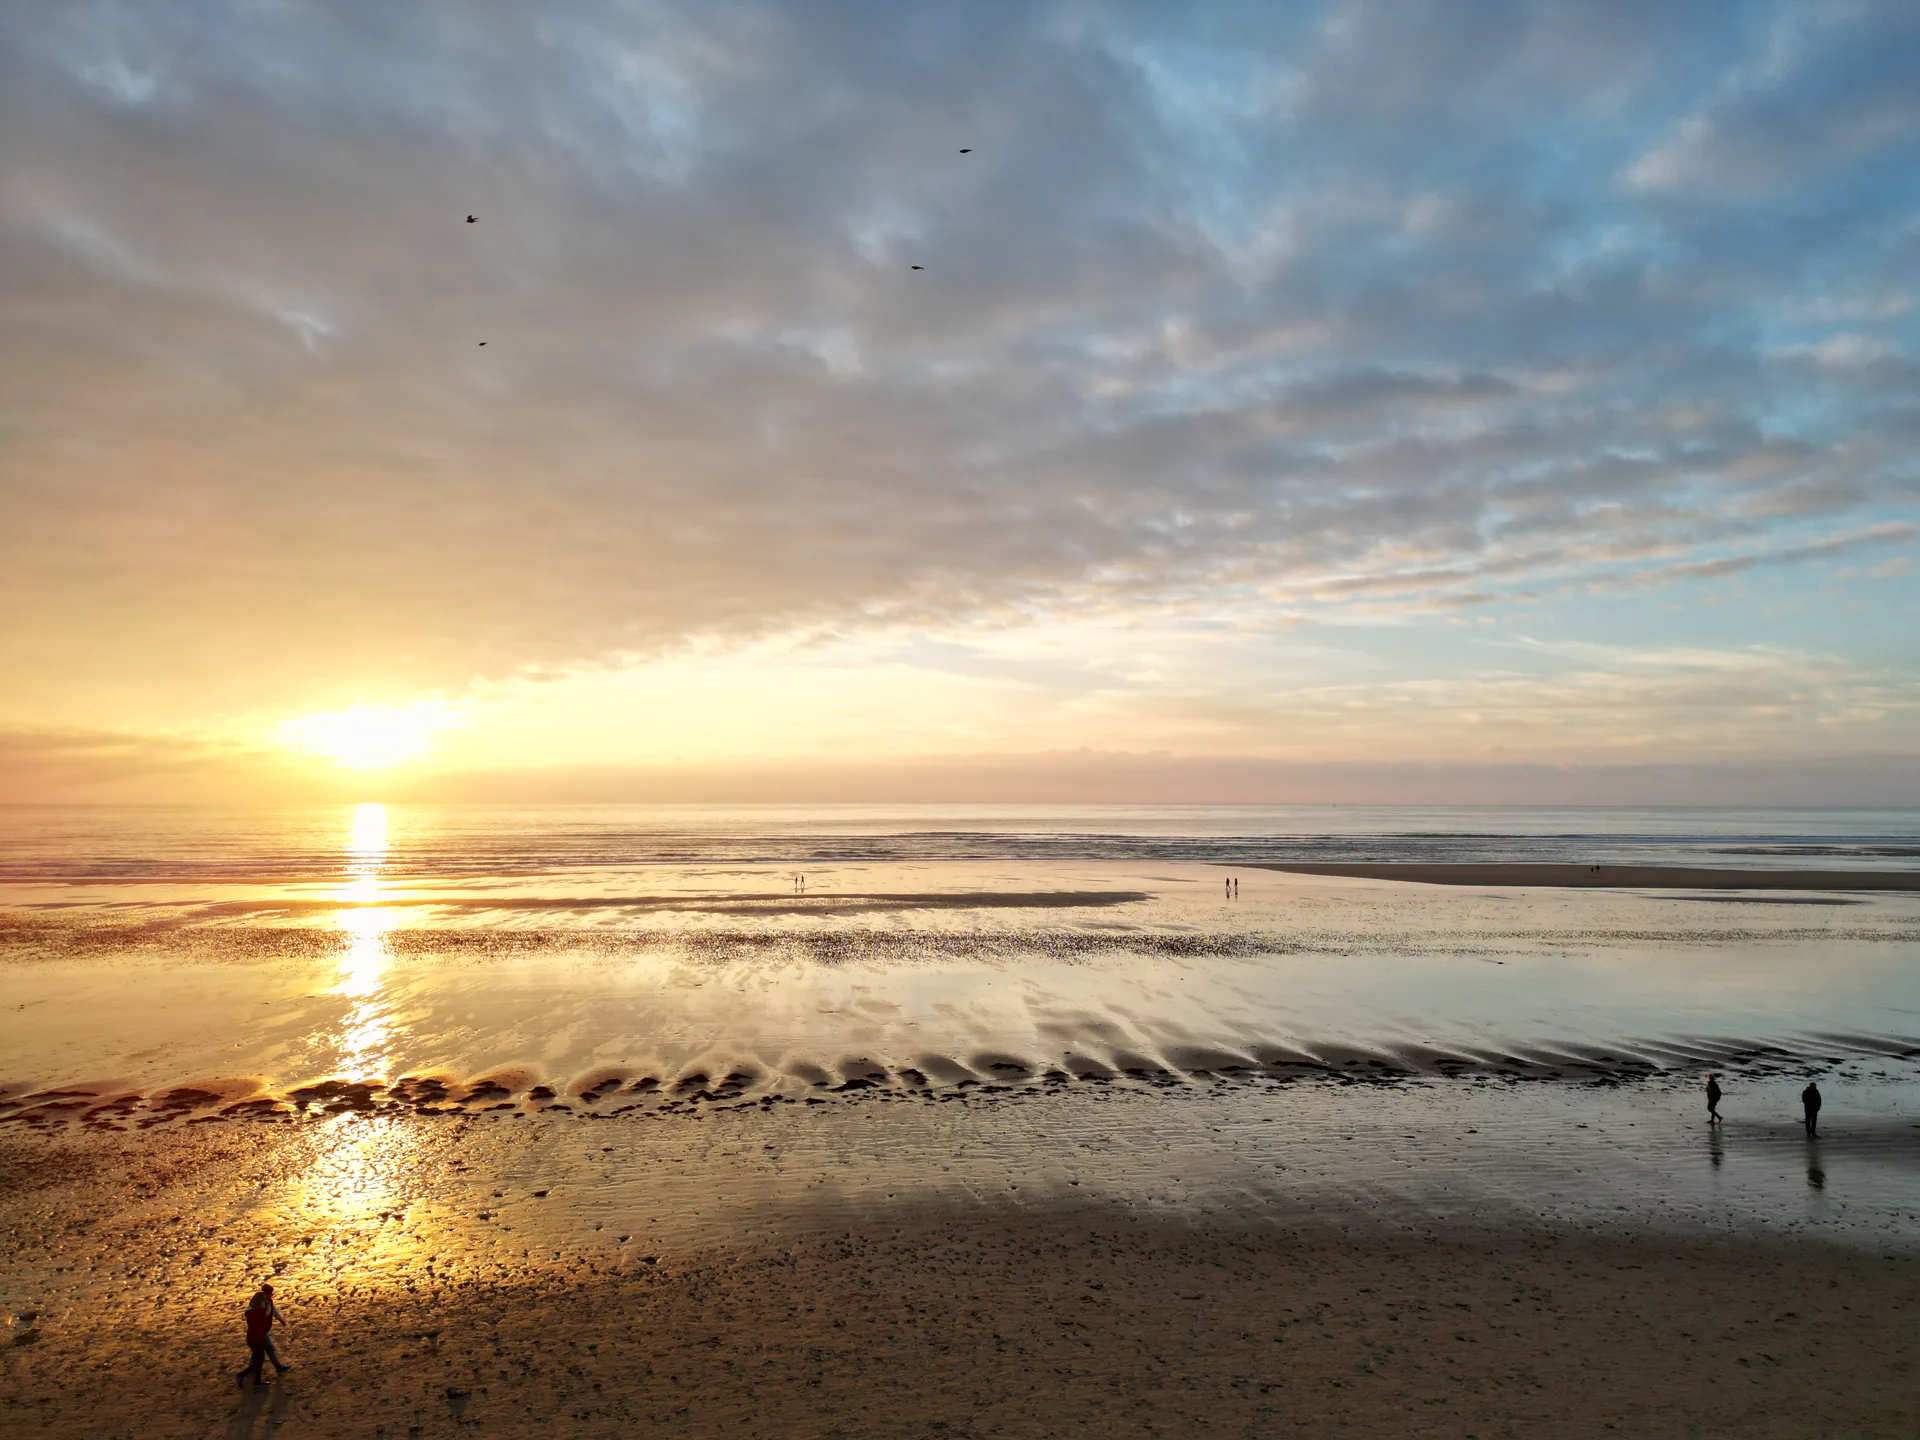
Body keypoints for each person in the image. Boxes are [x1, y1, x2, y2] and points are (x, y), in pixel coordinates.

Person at [235, 1284, 288, 1390]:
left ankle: (263, 1375)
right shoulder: (257, 1309)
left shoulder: (261, 1304)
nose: (271, 1296)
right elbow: (263, 1316)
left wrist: (280, 1319)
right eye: (270, 1294)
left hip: (259, 1335)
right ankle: (246, 1375)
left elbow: (272, 1310)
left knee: (262, 1355)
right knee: (261, 1356)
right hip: (258, 1336)